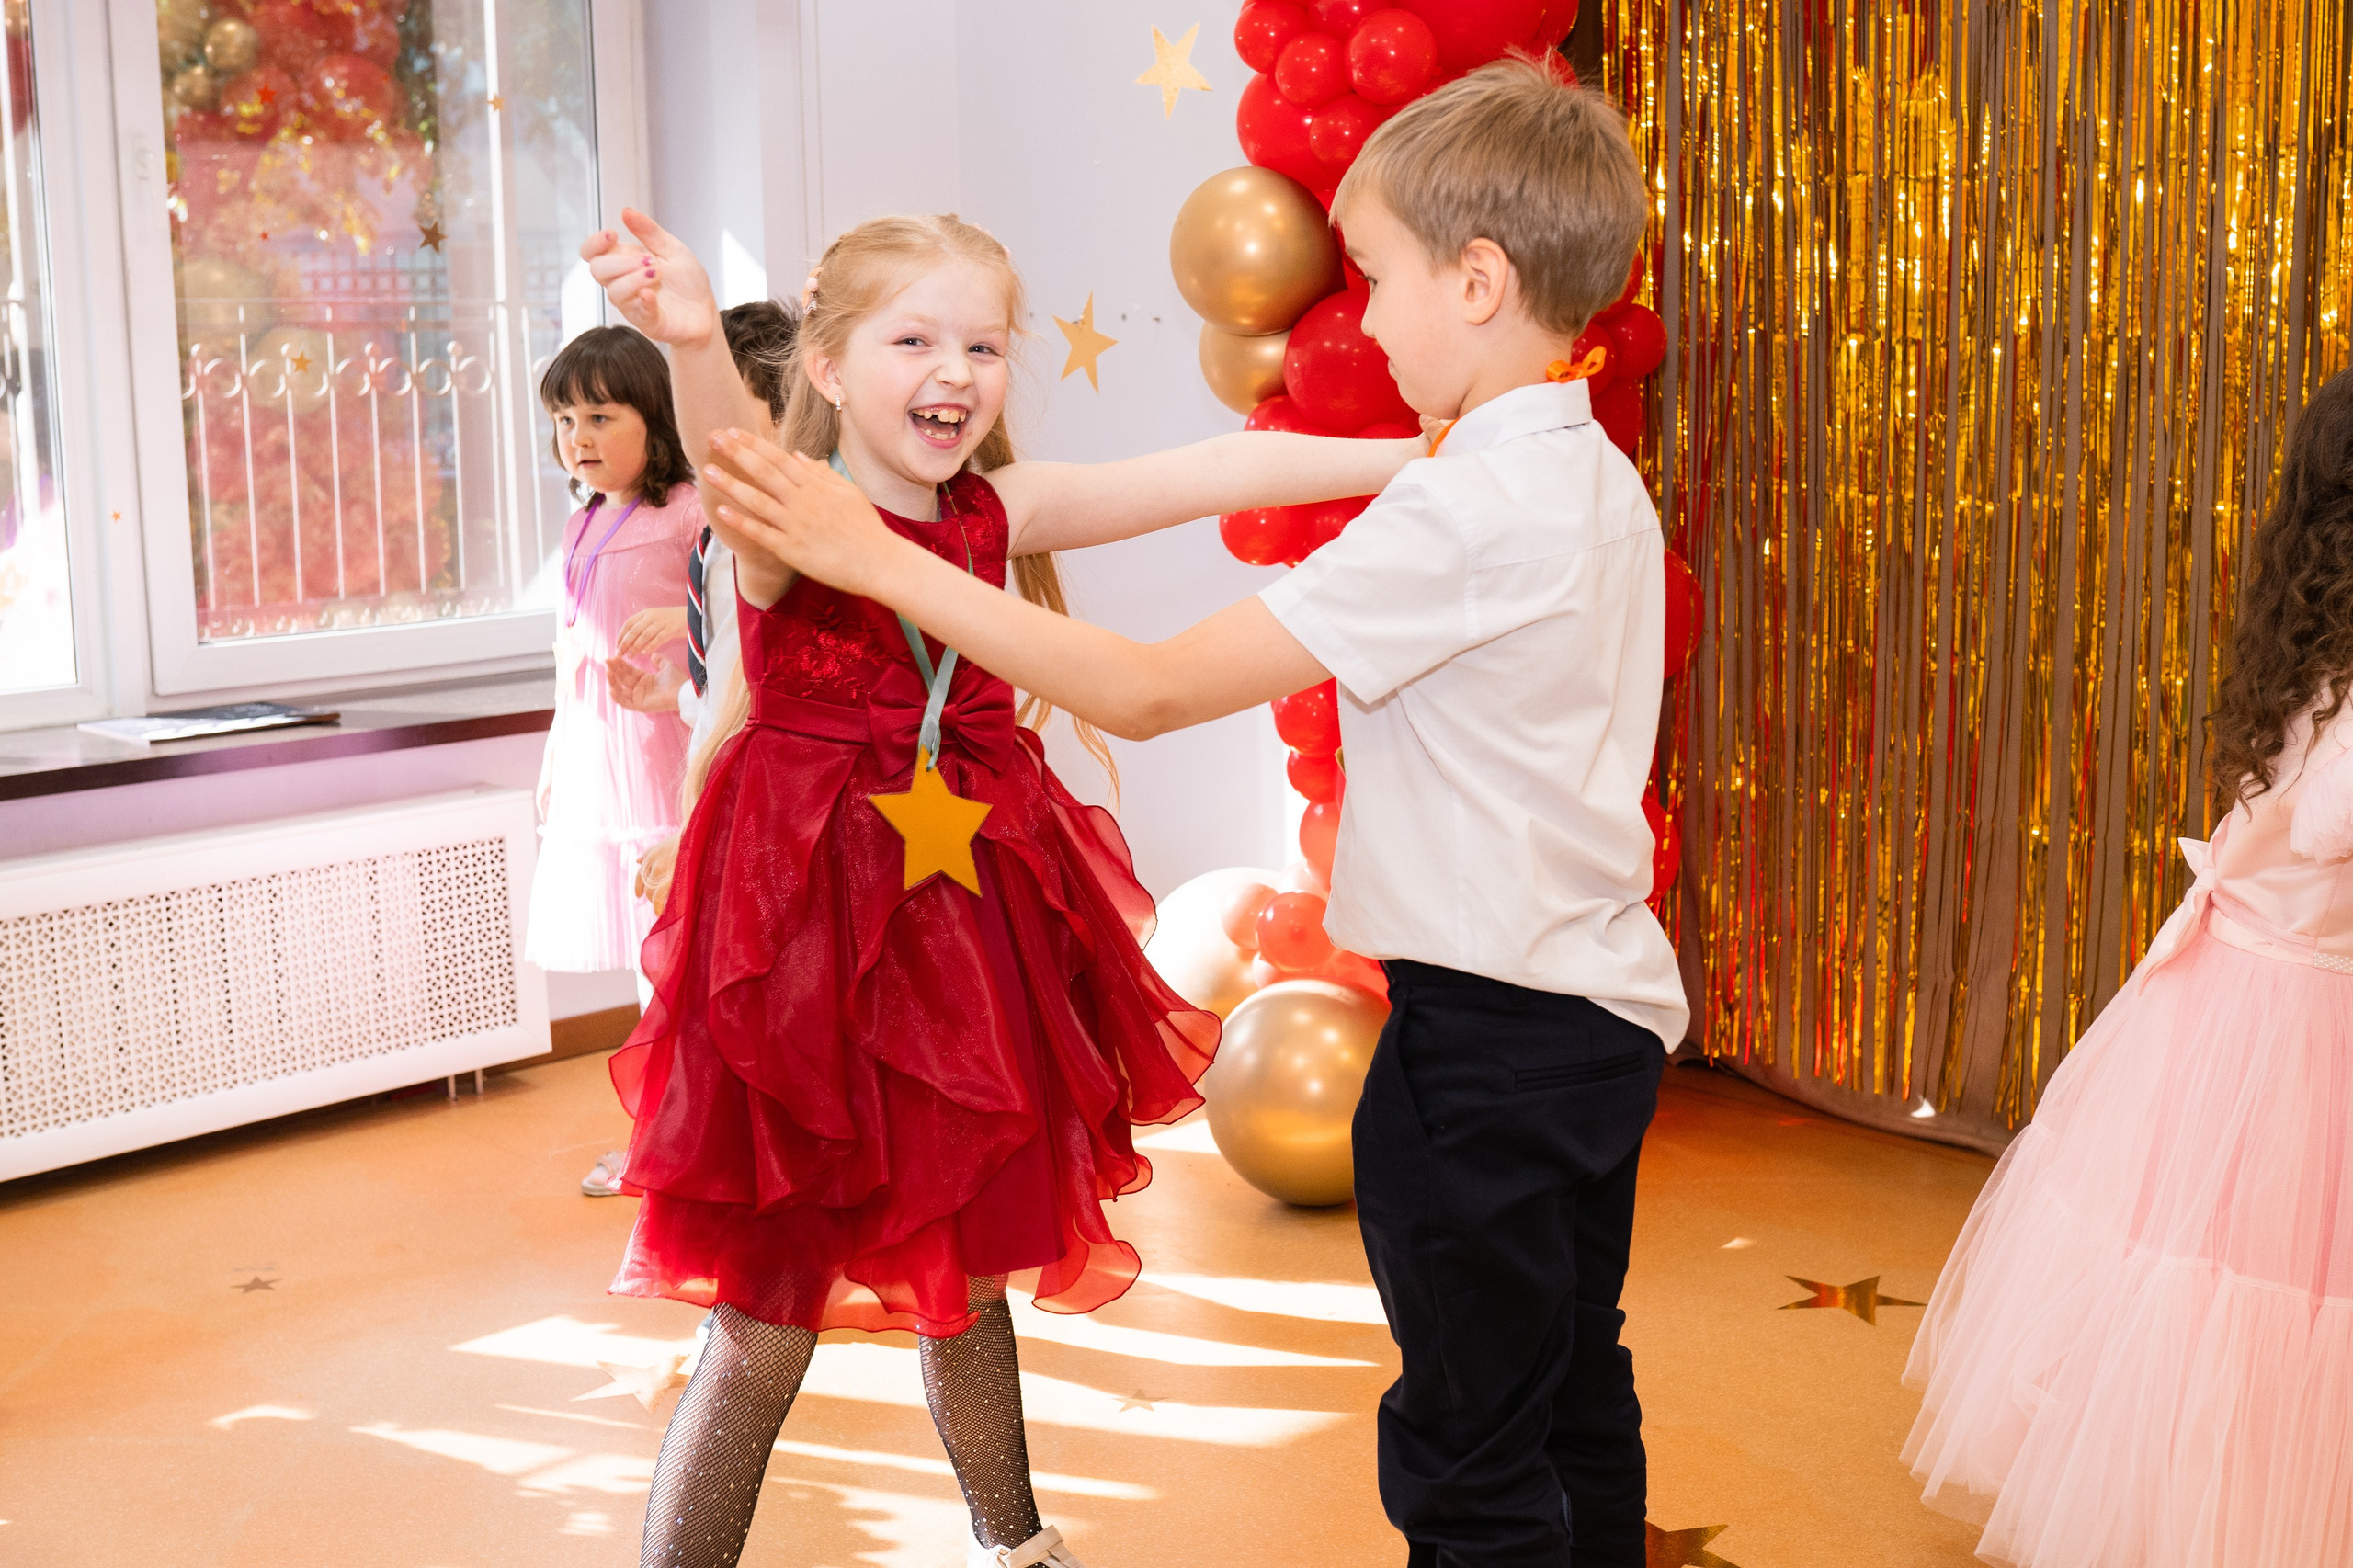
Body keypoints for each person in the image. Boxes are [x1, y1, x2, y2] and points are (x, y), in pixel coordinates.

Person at [692, 59, 1684, 1568]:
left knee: (1468, 1446)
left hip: (1482, 1036)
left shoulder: (1467, 511)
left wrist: (888, 562)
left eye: (1383, 276)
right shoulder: (1587, 472)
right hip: (1604, 1016)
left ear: (1478, 282)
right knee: (1570, 1385)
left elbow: (1148, 690)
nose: (1367, 313)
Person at [580, 205, 1431, 1568]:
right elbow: (734, 449)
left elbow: (1212, 465)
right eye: (914, 337)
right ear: (833, 362)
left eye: (982, 342)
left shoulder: (997, 511)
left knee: (968, 1276)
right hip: (803, 943)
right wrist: (687, 337)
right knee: (765, 1317)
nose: (957, 370)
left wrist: (1424, 454)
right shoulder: (791, 517)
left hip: (961, 932)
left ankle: (1014, 1543)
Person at [1901, 369, 2353, 1566]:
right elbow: (2330, 822)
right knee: (2235, 1276)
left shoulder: (2316, 649)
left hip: (2234, 1003)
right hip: (2286, 1022)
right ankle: (2205, 1518)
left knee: (2204, 1269)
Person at [584, 302, 797, 1199]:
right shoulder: (717, 533)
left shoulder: (771, 539)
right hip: (726, 789)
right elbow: (727, 688)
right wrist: (674, 691)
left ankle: (716, 1162)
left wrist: (698, 823)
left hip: (757, 803)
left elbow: (772, 695)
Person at [527, 327, 701, 997]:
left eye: (600, 418)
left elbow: (744, 620)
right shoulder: (582, 524)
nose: (579, 437)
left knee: (676, 915)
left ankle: (685, 1084)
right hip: (599, 748)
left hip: (667, 738)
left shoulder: (689, 512)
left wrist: (685, 628)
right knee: (638, 926)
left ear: (653, 420)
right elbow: (569, 650)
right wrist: (554, 752)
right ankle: (655, 1085)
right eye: (566, 420)